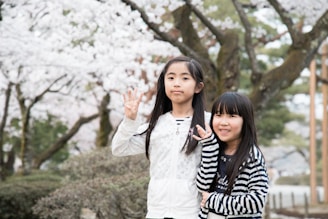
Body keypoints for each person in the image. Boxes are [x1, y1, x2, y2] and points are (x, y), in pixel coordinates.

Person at [111, 56, 211, 219]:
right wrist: (130, 121)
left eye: (185, 78)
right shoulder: (155, 127)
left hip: (193, 213)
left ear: (198, 87)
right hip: (157, 212)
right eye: (170, 78)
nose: (176, 83)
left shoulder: (210, 123)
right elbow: (118, 148)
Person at [194, 92, 269, 219]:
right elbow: (202, 185)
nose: (223, 122)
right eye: (218, 115)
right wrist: (210, 146)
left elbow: (257, 201)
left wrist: (213, 200)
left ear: (246, 121)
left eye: (232, 116)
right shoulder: (213, 149)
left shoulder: (252, 158)